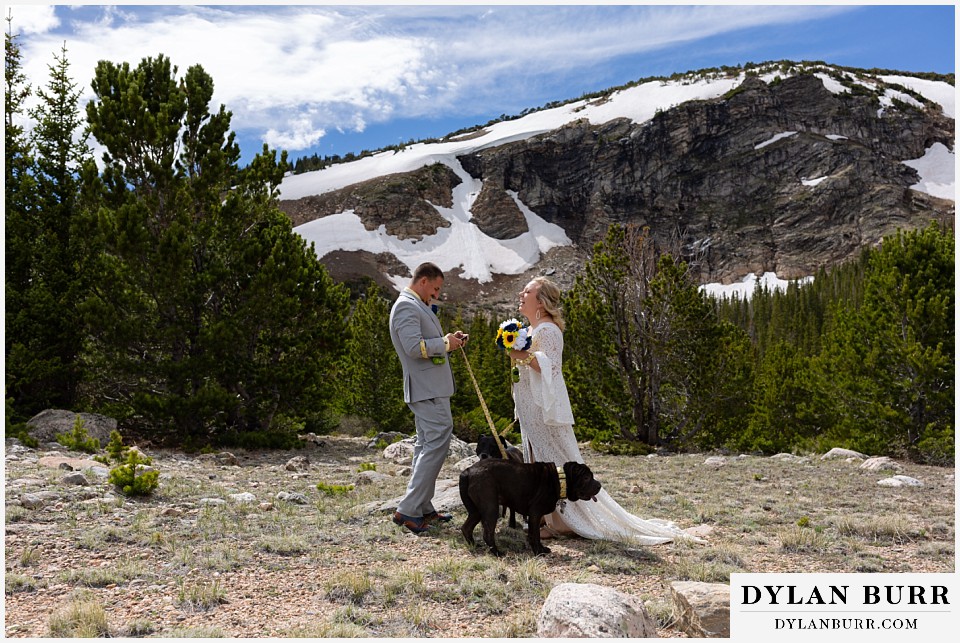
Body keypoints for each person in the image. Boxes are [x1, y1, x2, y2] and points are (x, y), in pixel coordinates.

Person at [508, 276, 700, 545]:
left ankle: (562, 522)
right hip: (533, 407)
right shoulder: (532, 329)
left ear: (540, 301)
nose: (521, 294)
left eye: (527, 291)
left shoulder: (548, 330)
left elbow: (550, 368)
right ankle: (542, 516)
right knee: (537, 459)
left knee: (554, 460)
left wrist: (519, 355)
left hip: (545, 408)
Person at [389, 262, 469, 534]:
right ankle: (408, 510)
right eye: (435, 288)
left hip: (429, 388)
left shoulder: (416, 305)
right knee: (435, 444)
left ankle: (422, 507)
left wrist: (450, 342)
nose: (436, 294)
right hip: (427, 389)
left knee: (426, 446)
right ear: (423, 281)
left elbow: (426, 344)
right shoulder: (406, 306)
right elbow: (413, 348)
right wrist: (445, 343)